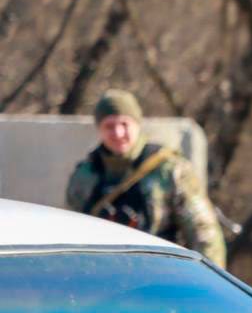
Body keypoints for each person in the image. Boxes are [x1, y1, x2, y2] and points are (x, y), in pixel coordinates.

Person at [66, 89, 226, 267]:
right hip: (103, 274)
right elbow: (71, 234)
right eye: (109, 126)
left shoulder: (169, 170)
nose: (118, 133)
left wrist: (204, 286)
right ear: (99, 129)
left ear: (137, 125)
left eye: (124, 124)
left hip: (162, 273)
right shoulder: (85, 175)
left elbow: (204, 233)